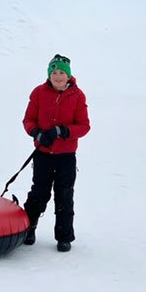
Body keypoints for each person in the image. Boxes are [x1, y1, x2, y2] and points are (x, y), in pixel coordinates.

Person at [22, 54, 90, 252]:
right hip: (42, 154)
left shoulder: (78, 96)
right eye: (54, 72)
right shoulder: (39, 93)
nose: (58, 76)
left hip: (66, 157)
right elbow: (28, 120)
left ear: (68, 75)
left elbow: (84, 126)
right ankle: (28, 228)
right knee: (39, 193)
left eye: (62, 72)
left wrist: (63, 131)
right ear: (49, 74)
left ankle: (64, 236)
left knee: (64, 195)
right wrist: (37, 133)